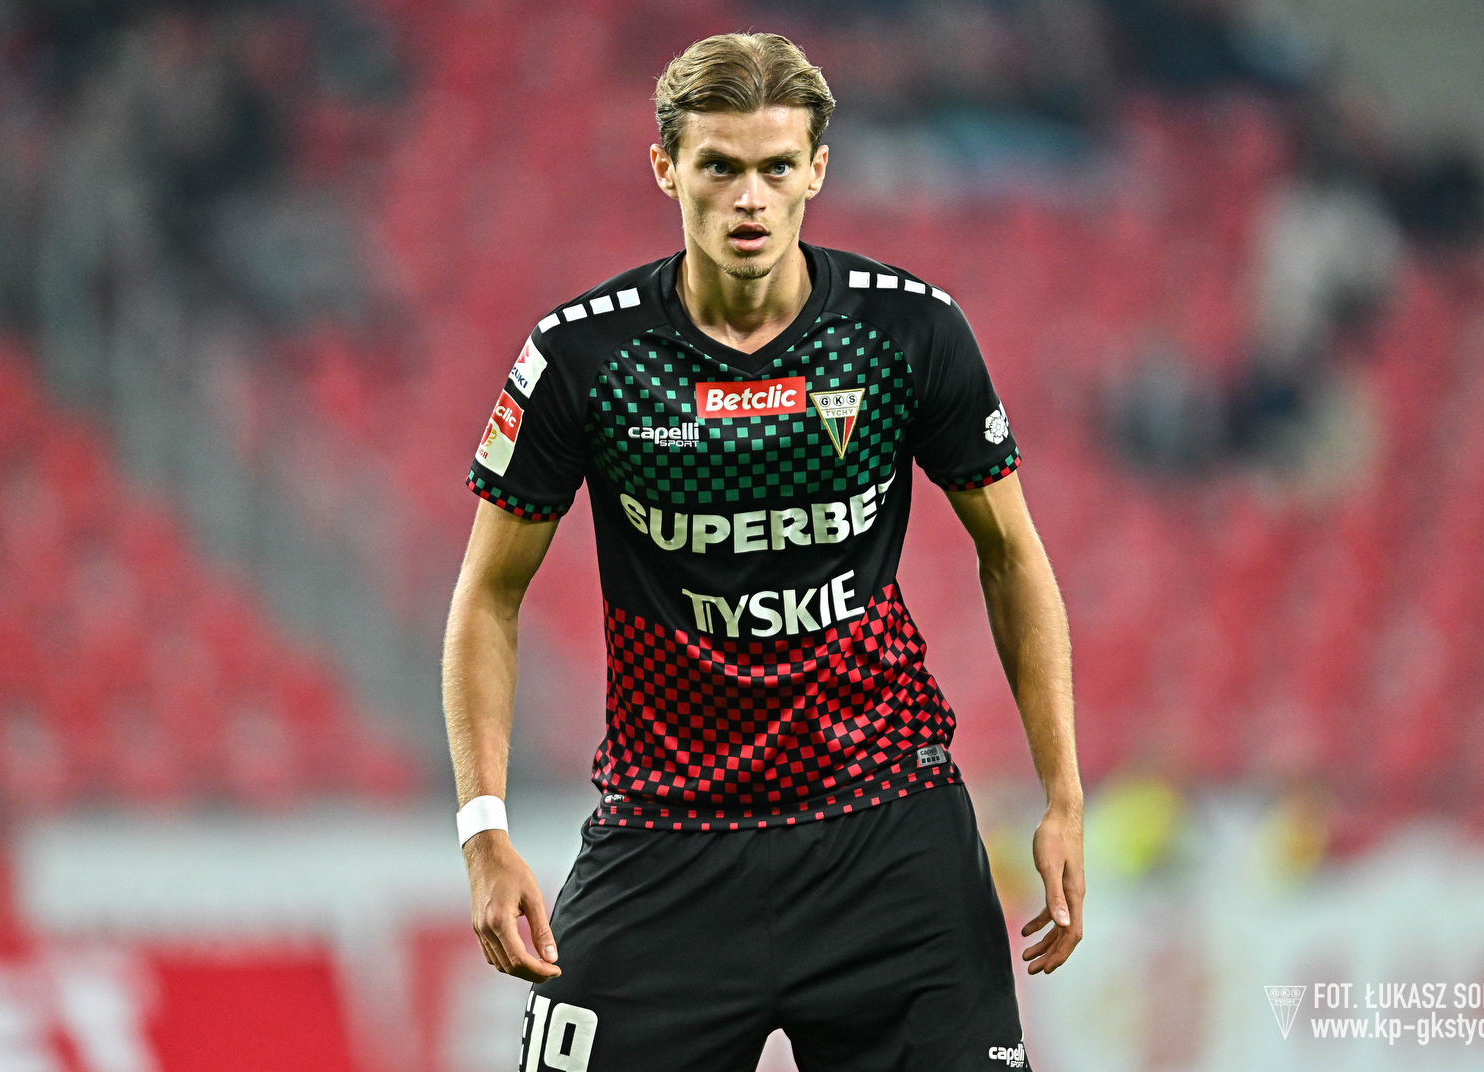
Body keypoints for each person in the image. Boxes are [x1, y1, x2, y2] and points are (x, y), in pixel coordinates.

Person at [442, 32, 1083, 1072]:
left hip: (887, 829)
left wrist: (1062, 796)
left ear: (817, 169)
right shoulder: (582, 355)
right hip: (667, 837)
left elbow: (1011, 553)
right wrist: (483, 829)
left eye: (777, 167)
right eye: (720, 167)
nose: (750, 198)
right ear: (666, 168)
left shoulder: (908, 332)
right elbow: (487, 594)